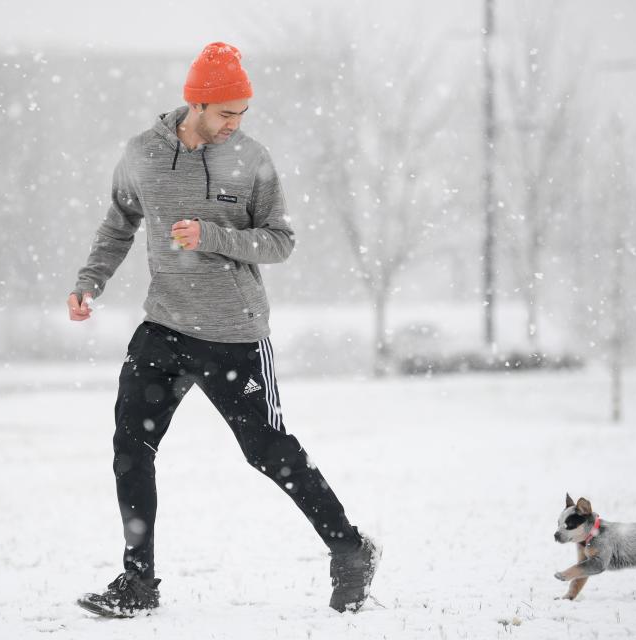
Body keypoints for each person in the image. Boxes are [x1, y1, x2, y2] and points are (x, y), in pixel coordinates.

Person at [67, 42, 380, 617]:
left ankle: (351, 549)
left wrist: (212, 236)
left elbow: (280, 241)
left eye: (242, 114)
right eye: (226, 113)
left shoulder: (252, 159)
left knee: (268, 451)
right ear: (197, 102)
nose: (235, 124)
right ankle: (139, 584)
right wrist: (91, 281)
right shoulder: (143, 154)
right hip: (162, 327)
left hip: (233, 333)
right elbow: (120, 221)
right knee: (130, 449)